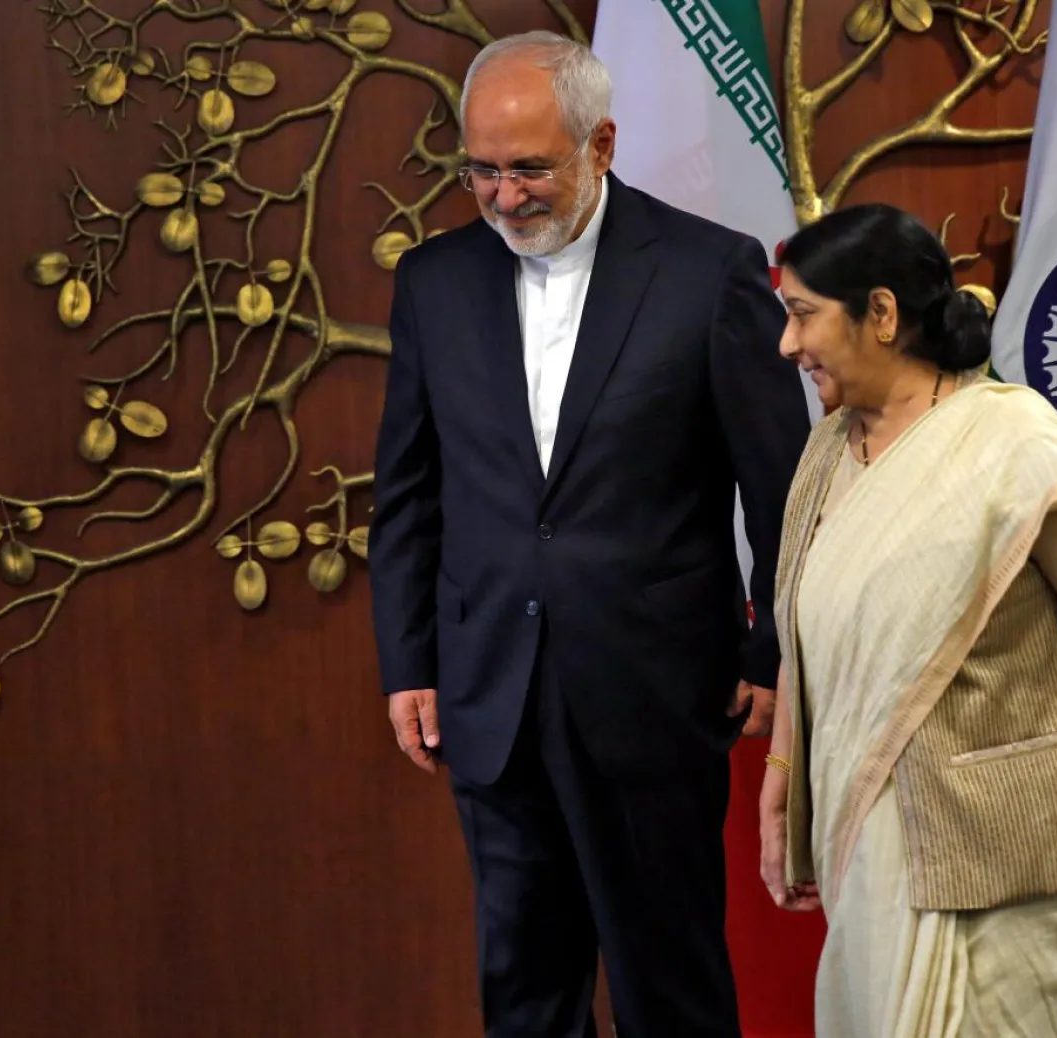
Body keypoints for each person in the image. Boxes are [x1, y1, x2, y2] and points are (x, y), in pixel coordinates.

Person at [367, 30, 812, 1038]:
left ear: (601, 145)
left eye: (529, 168)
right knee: (526, 989)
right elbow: (409, 490)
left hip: (655, 693)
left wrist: (773, 654)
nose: (503, 196)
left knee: (671, 988)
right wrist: (409, 662)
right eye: (480, 169)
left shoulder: (710, 273)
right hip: (489, 692)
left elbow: (783, 487)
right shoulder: (433, 282)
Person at [756, 204, 1057, 1037]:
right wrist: (782, 778)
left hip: (1010, 852)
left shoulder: (1013, 444)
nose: (788, 345)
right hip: (874, 846)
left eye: (804, 316)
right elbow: (810, 633)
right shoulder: (830, 449)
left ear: (880, 314)